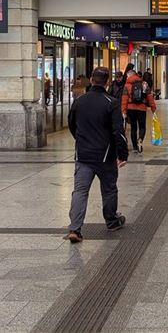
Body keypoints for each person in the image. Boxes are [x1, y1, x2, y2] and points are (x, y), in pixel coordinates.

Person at [65, 67, 129, 242]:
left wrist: (81, 141)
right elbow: (118, 131)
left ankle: (75, 229)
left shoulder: (79, 101)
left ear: (92, 80)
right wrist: (122, 154)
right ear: (107, 82)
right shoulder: (111, 102)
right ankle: (112, 221)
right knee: (109, 189)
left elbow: (72, 125)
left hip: (83, 155)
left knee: (80, 191)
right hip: (105, 156)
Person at [121, 68, 157, 154]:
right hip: (142, 108)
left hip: (131, 108)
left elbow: (124, 99)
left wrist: (123, 111)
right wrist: (153, 108)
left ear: (130, 75)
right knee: (142, 127)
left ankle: (134, 147)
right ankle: (140, 139)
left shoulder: (127, 85)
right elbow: (150, 97)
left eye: (127, 76)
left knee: (133, 128)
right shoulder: (144, 84)